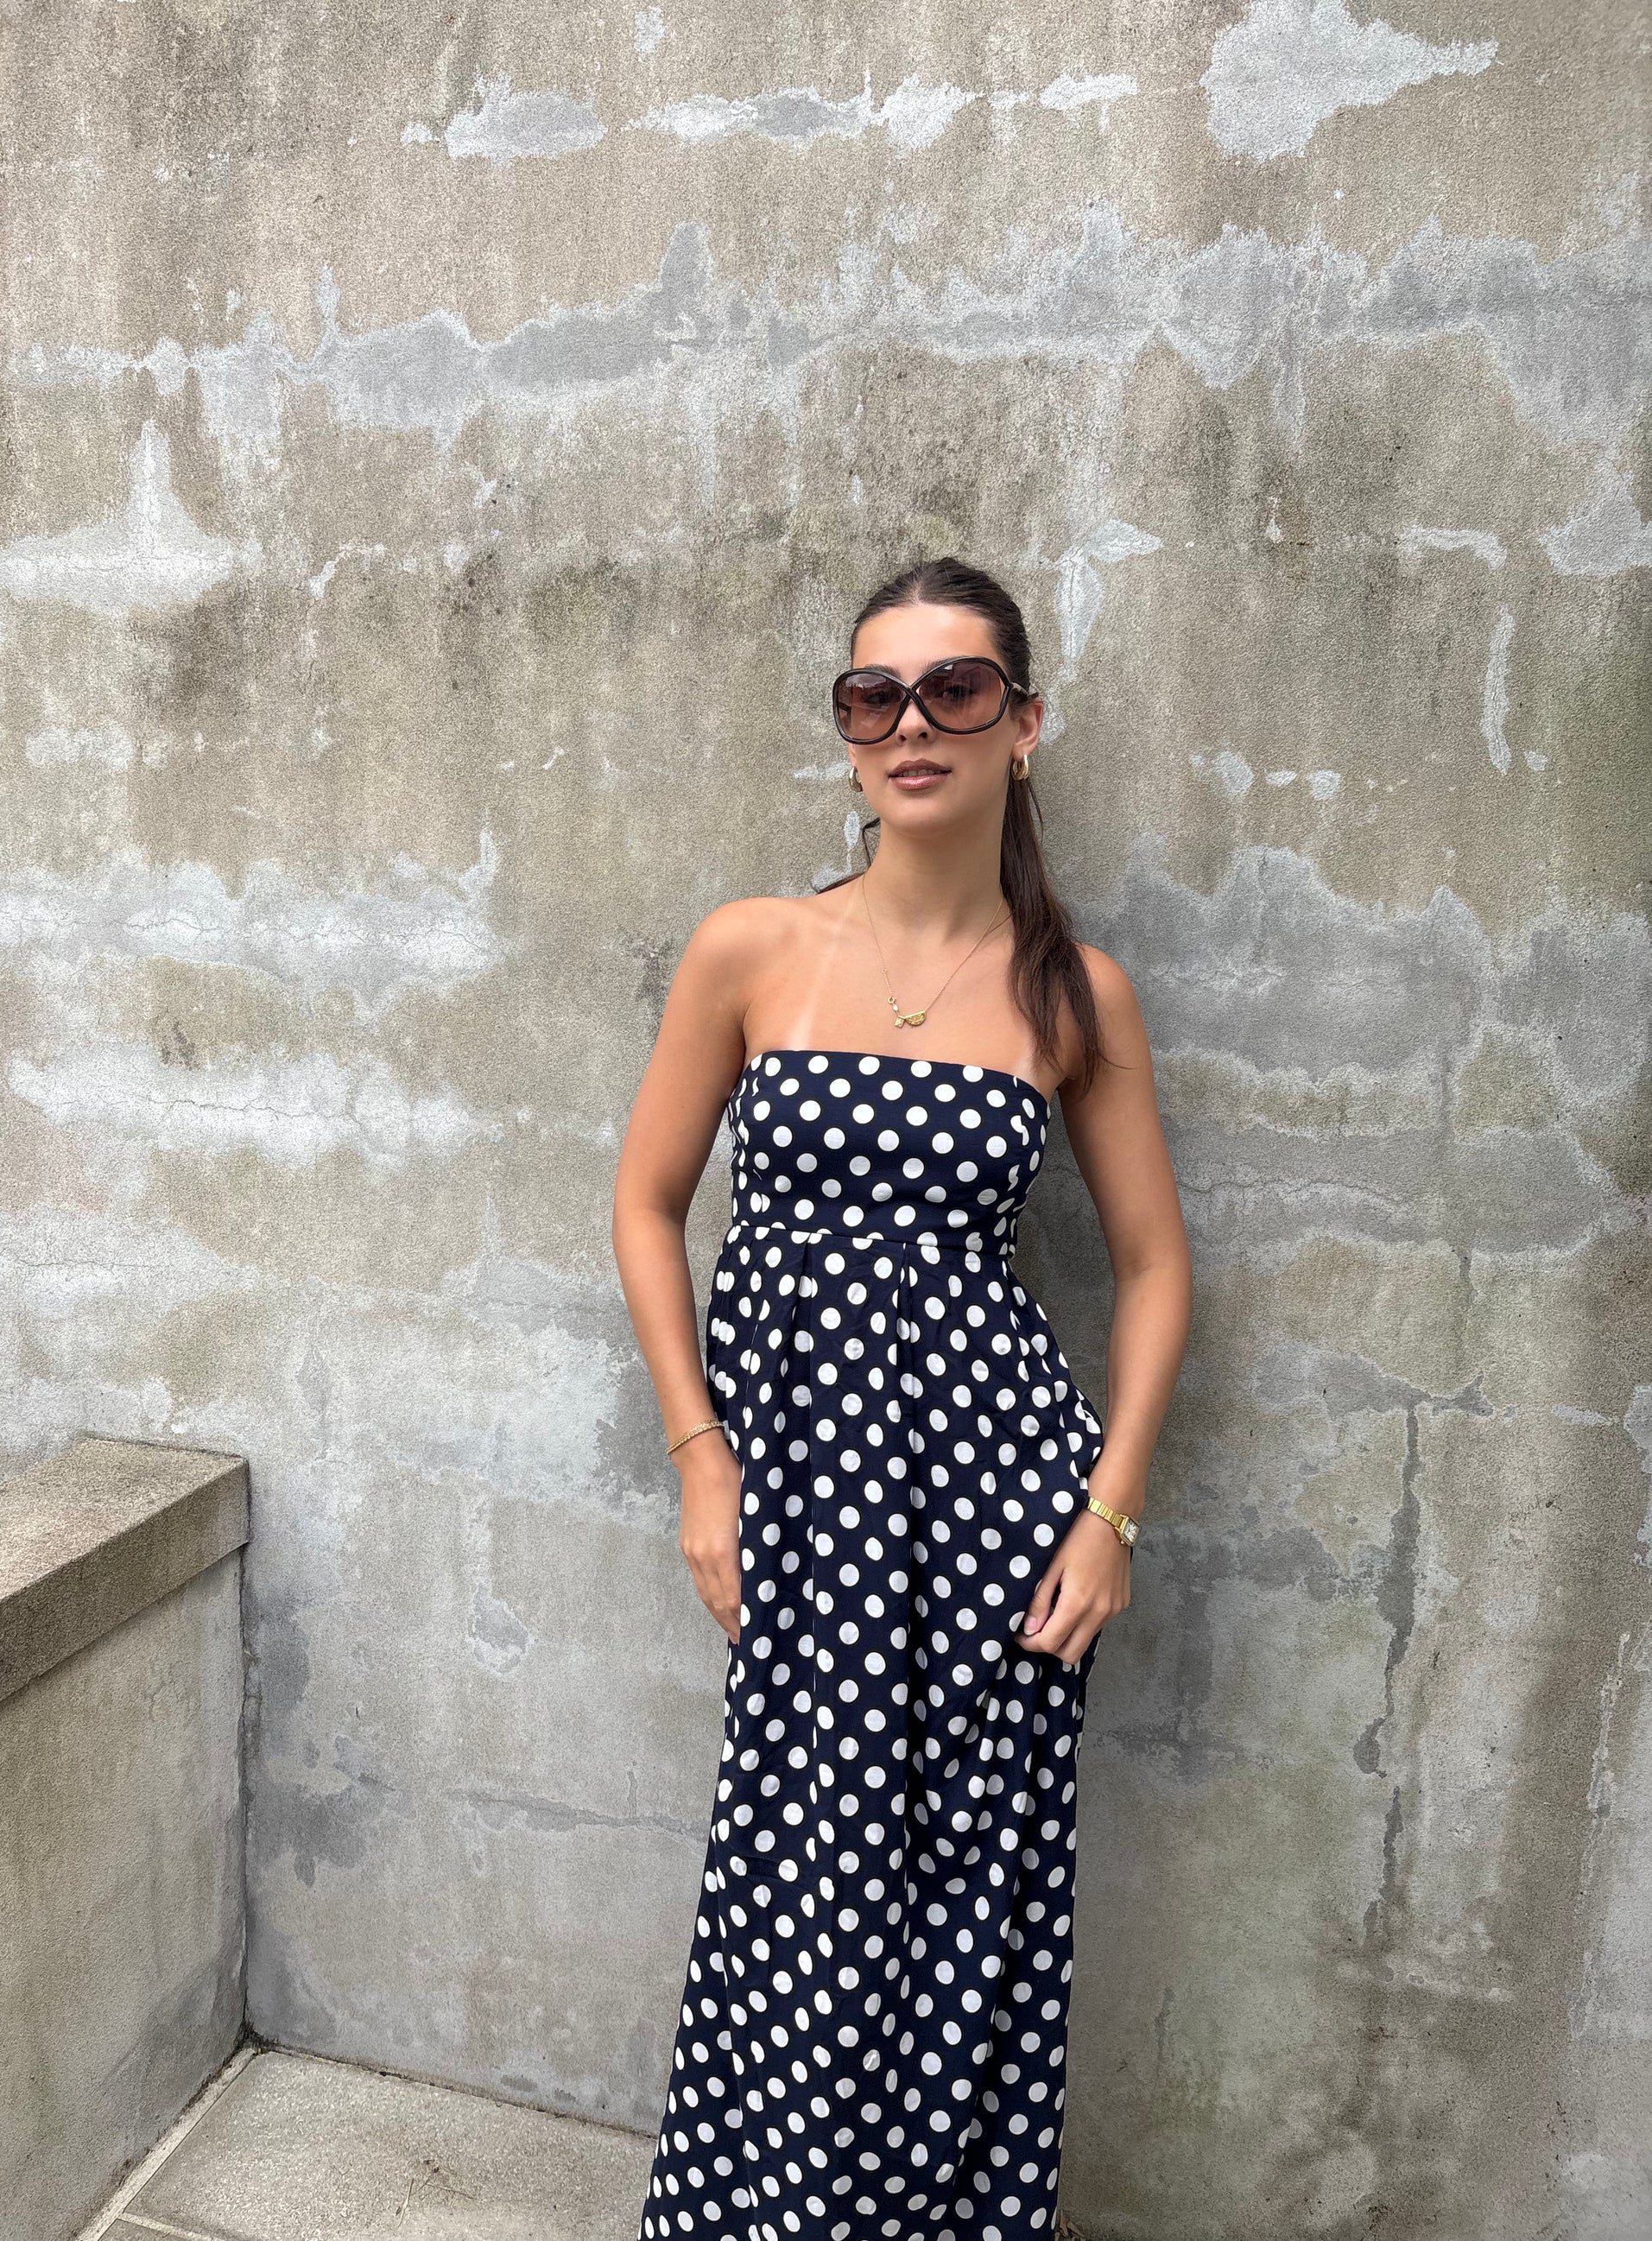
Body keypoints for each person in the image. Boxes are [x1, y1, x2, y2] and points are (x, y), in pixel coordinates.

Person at [612, 555, 1193, 2241]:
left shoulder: (1075, 995)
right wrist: (700, 1458)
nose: (910, 723)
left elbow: (1154, 1269)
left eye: (953, 690)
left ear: (1023, 724)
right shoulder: (752, 949)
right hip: (803, 1503)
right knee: (802, 1889)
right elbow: (648, 1204)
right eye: (875, 693)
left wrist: (1111, 1509)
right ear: (847, 732)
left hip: (1007, 1517)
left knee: (968, 1915)